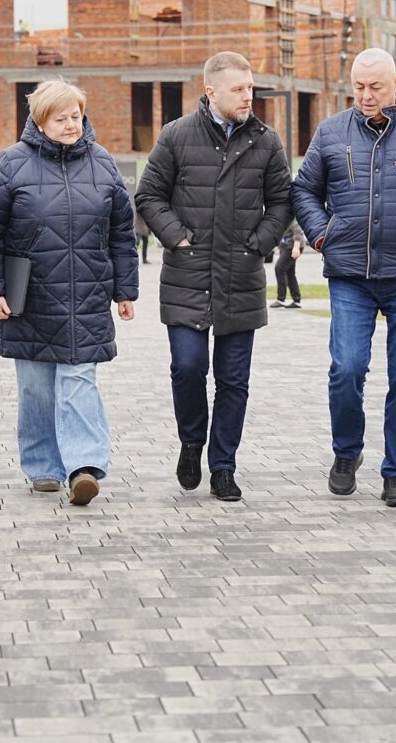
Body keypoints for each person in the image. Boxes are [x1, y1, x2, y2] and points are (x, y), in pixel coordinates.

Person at [292, 47, 396, 508]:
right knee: (346, 369)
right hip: (350, 274)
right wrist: (323, 234)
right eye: (359, 87)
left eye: (376, 87)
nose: (366, 96)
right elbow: (303, 190)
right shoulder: (331, 132)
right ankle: (346, 452)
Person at [0, 80, 138, 506]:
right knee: (37, 388)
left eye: (76, 116)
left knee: (79, 381)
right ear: (40, 121)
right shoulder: (11, 164)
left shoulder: (103, 164)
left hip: (87, 296)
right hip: (30, 298)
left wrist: (125, 290)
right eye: (60, 119)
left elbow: (122, 234)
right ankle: (43, 466)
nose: (70, 125)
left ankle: (84, 466)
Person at [135, 51, 291, 501]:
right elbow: (149, 195)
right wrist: (177, 237)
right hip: (187, 274)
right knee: (188, 368)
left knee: (233, 379)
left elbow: (283, 201)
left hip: (241, 275)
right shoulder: (176, 135)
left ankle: (223, 466)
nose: (248, 96)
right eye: (238, 89)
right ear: (211, 92)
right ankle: (191, 443)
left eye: (250, 87)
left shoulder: (267, 141)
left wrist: (258, 243)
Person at [270, 222, 305, 309]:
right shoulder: (279, 218)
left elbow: (297, 232)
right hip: (286, 247)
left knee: (279, 268)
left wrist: (296, 248)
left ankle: (281, 299)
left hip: (292, 247)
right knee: (290, 273)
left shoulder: (290, 218)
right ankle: (296, 300)